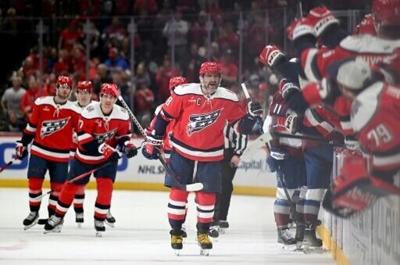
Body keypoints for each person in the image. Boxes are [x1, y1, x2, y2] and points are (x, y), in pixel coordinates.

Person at [142, 62, 263, 254]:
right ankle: (175, 231)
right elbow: (164, 116)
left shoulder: (229, 98)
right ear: (201, 77)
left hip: (211, 156)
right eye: (208, 76)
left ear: (220, 79)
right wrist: (155, 139)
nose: (212, 80)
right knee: (178, 193)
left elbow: (241, 127)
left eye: (215, 76)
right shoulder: (184, 93)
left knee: (207, 197)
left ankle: (203, 232)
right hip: (182, 152)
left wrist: (251, 117)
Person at [44, 83, 138, 235]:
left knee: (106, 188)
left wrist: (127, 146)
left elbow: (123, 137)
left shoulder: (122, 113)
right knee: (70, 188)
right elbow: (84, 140)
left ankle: (99, 218)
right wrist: (106, 149)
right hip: (84, 158)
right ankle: (57, 216)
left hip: (106, 160)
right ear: (100, 97)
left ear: (115, 99)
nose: (108, 100)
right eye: (105, 96)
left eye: (112, 97)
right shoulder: (89, 112)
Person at [16, 75, 80, 230]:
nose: (64, 90)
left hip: (61, 155)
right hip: (39, 151)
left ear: (70, 91)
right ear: (56, 88)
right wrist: (23, 143)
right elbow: (31, 127)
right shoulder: (41, 103)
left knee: (58, 189)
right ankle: (34, 212)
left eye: (67, 88)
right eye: (61, 87)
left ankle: (53, 216)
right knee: (34, 183)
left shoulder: (74, 110)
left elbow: (82, 133)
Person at [69, 80, 116, 227]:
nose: (83, 95)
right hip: (78, 151)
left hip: (99, 152)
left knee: (104, 183)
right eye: (80, 92)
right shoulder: (70, 108)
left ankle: (105, 209)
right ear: (76, 93)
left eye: (86, 92)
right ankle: (78, 211)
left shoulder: (98, 107)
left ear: (91, 94)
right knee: (78, 184)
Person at [208, 121, 248, 238]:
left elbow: (242, 133)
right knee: (210, 185)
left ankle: (220, 217)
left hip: (227, 154)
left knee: (225, 186)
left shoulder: (231, 114)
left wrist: (237, 153)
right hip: (209, 152)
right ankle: (210, 217)